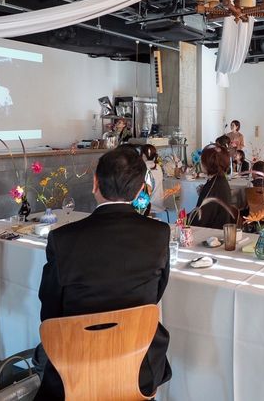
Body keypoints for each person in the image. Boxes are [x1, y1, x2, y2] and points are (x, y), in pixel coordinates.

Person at [35, 146, 171, 400]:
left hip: (74, 369)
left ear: (95, 183)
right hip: (139, 367)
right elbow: (156, 294)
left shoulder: (63, 239)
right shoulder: (158, 234)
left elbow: (49, 312)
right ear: (140, 190)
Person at [193, 144, 236, 229]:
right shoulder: (220, 180)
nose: (200, 163)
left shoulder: (214, 186)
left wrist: (184, 218)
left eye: (202, 160)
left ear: (209, 163)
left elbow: (200, 220)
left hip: (212, 233)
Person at [141, 143, 164, 213]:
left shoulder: (143, 168)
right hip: (159, 204)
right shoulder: (158, 167)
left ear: (144, 155)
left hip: (150, 207)